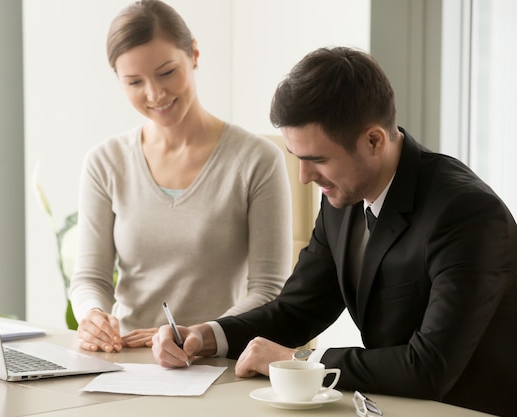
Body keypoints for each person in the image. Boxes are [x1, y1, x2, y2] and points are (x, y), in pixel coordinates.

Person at [152, 46, 517, 417]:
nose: (305, 177)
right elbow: (296, 311)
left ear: (374, 140)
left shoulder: (467, 214)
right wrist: (207, 336)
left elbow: (429, 367)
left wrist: (300, 360)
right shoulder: (343, 196)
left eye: (318, 160)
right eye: (299, 158)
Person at [69, 0, 292, 354]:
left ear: (194, 54)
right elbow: (90, 279)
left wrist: (200, 336)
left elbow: (268, 288)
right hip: (126, 361)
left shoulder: (257, 160)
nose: (155, 94)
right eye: (134, 82)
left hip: (218, 360)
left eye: (167, 72)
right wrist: (93, 315)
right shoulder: (104, 162)